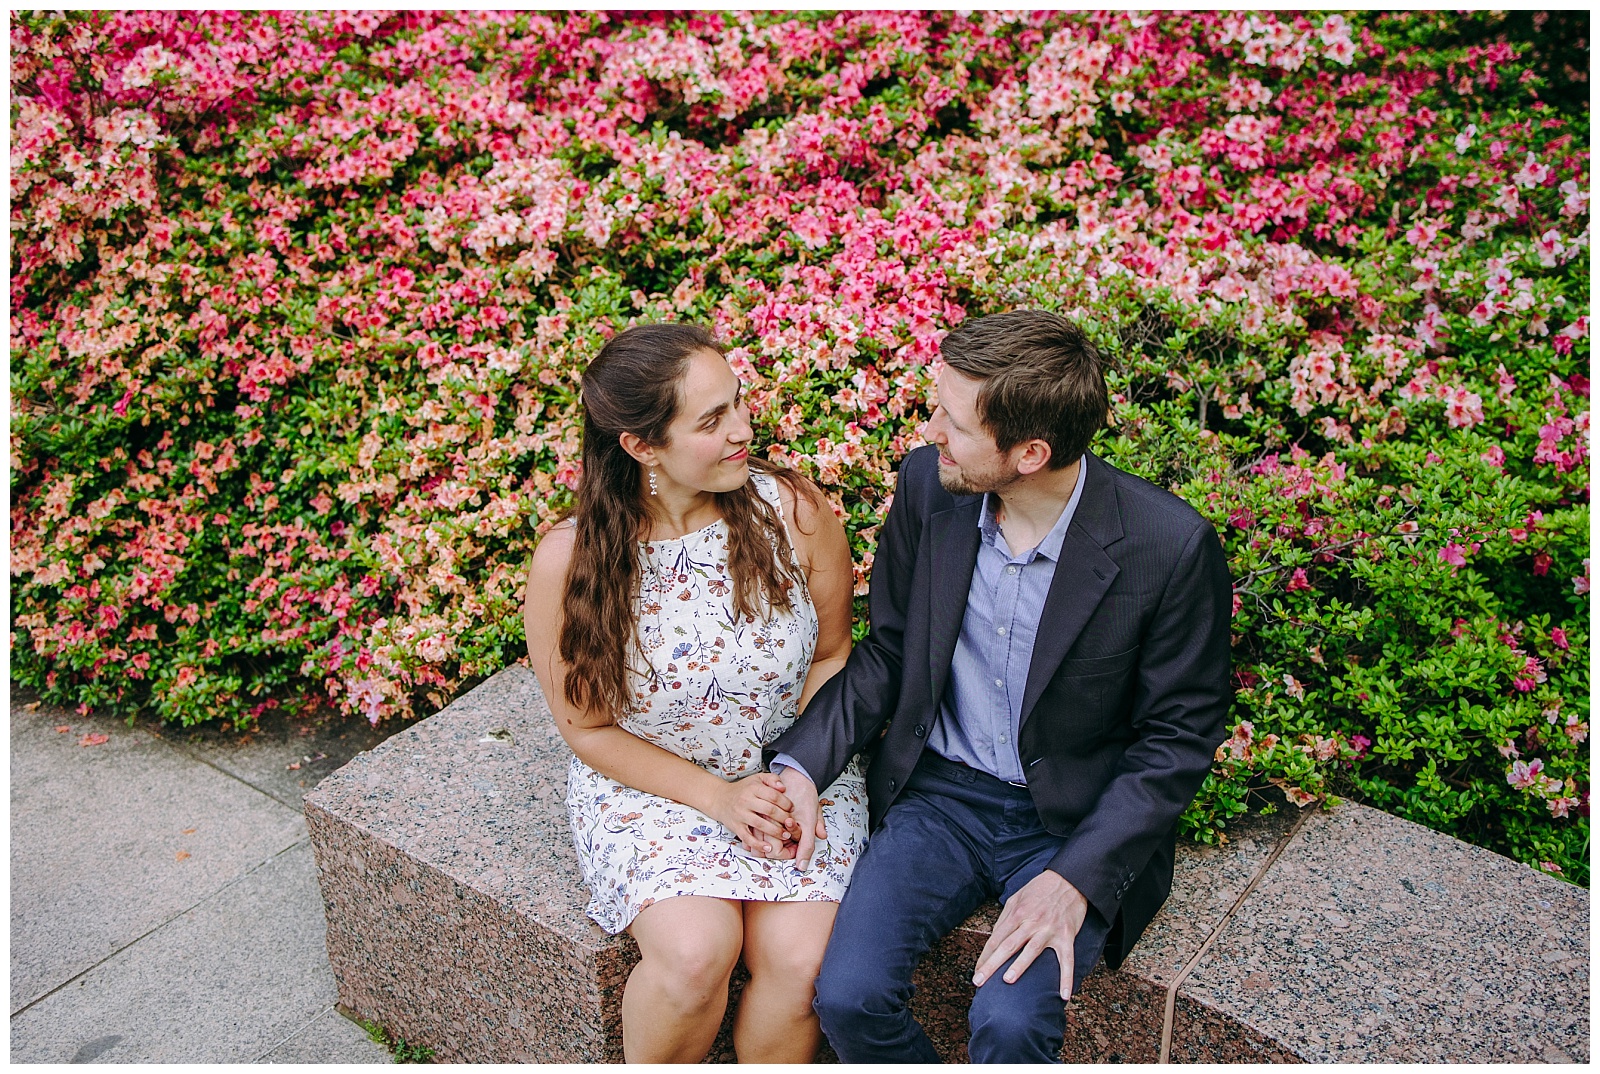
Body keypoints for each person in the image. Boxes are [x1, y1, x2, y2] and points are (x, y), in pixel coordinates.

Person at [768, 309, 1233, 1063]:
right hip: (940, 799)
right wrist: (799, 766)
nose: (929, 434)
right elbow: (888, 653)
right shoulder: (929, 488)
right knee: (848, 998)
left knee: (1012, 1027)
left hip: (1072, 824)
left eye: (951, 422)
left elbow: (1175, 743)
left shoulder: (1169, 549)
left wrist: (1076, 878)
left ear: (1028, 452)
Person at [522, 323, 866, 1063]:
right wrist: (716, 797)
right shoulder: (572, 562)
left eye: (737, 403)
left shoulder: (795, 512)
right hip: (657, 790)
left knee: (803, 963)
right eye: (712, 421)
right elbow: (588, 729)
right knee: (694, 955)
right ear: (643, 447)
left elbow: (833, 657)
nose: (744, 429)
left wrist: (797, 774)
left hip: (799, 773)